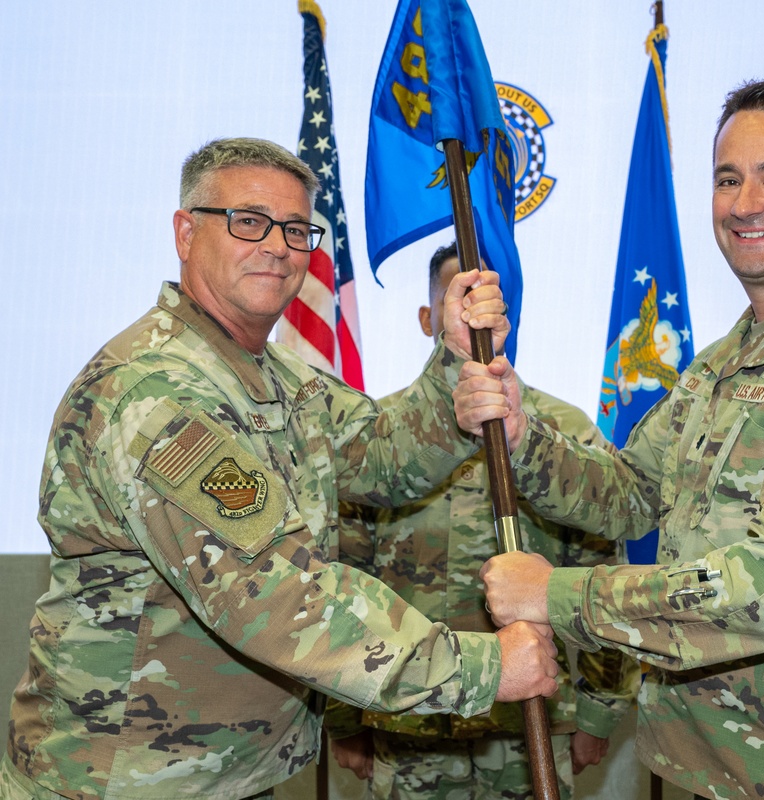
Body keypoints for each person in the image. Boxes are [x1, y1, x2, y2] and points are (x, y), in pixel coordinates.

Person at [1, 138, 560, 800]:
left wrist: (453, 366)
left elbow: (381, 455)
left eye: (297, 230)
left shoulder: (276, 379)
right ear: (186, 232)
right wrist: (481, 666)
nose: (277, 246)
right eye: (248, 221)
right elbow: (278, 595)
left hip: (221, 773)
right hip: (124, 782)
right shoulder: (155, 393)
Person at [457, 79, 764, 799]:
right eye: (728, 179)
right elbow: (631, 495)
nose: (744, 202)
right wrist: (523, 436)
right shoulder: (721, 366)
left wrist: (559, 596)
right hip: (688, 766)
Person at [325, 244, 639, 799]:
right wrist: (344, 719)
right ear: (430, 318)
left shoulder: (560, 431)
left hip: (529, 728)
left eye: (485, 306)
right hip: (411, 719)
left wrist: (598, 713)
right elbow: (345, 576)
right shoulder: (382, 441)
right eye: (457, 304)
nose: (474, 320)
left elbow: (599, 572)